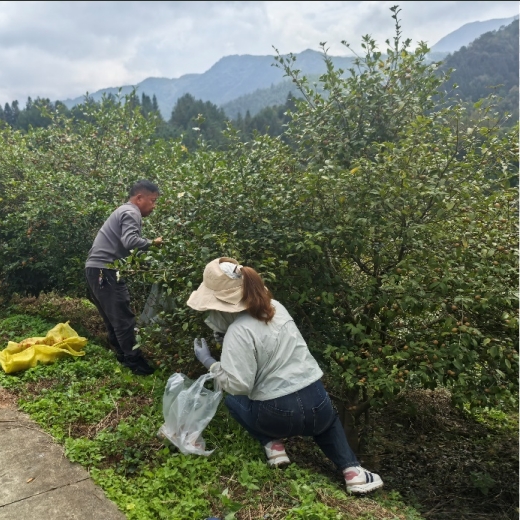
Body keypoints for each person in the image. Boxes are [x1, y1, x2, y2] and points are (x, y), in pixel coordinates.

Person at [186, 257, 384, 495]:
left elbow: (238, 384)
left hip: (276, 416)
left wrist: (209, 362)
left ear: (223, 305)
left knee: (233, 400)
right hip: (317, 402)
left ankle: (272, 445)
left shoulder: (237, 332)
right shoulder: (276, 307)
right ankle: (353, 472)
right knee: (328, 423)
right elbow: (267, 342)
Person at [85, 180, 163, 376]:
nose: (154, 206)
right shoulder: (131, 212)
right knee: (123, 319)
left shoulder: (123, 211)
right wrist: (154, 243)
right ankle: (135, 362)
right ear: (139, 198)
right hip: (105, 270)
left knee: (113, 318)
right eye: (152, 201)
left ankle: (122, 355)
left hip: (96, 269)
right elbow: (130, 241)